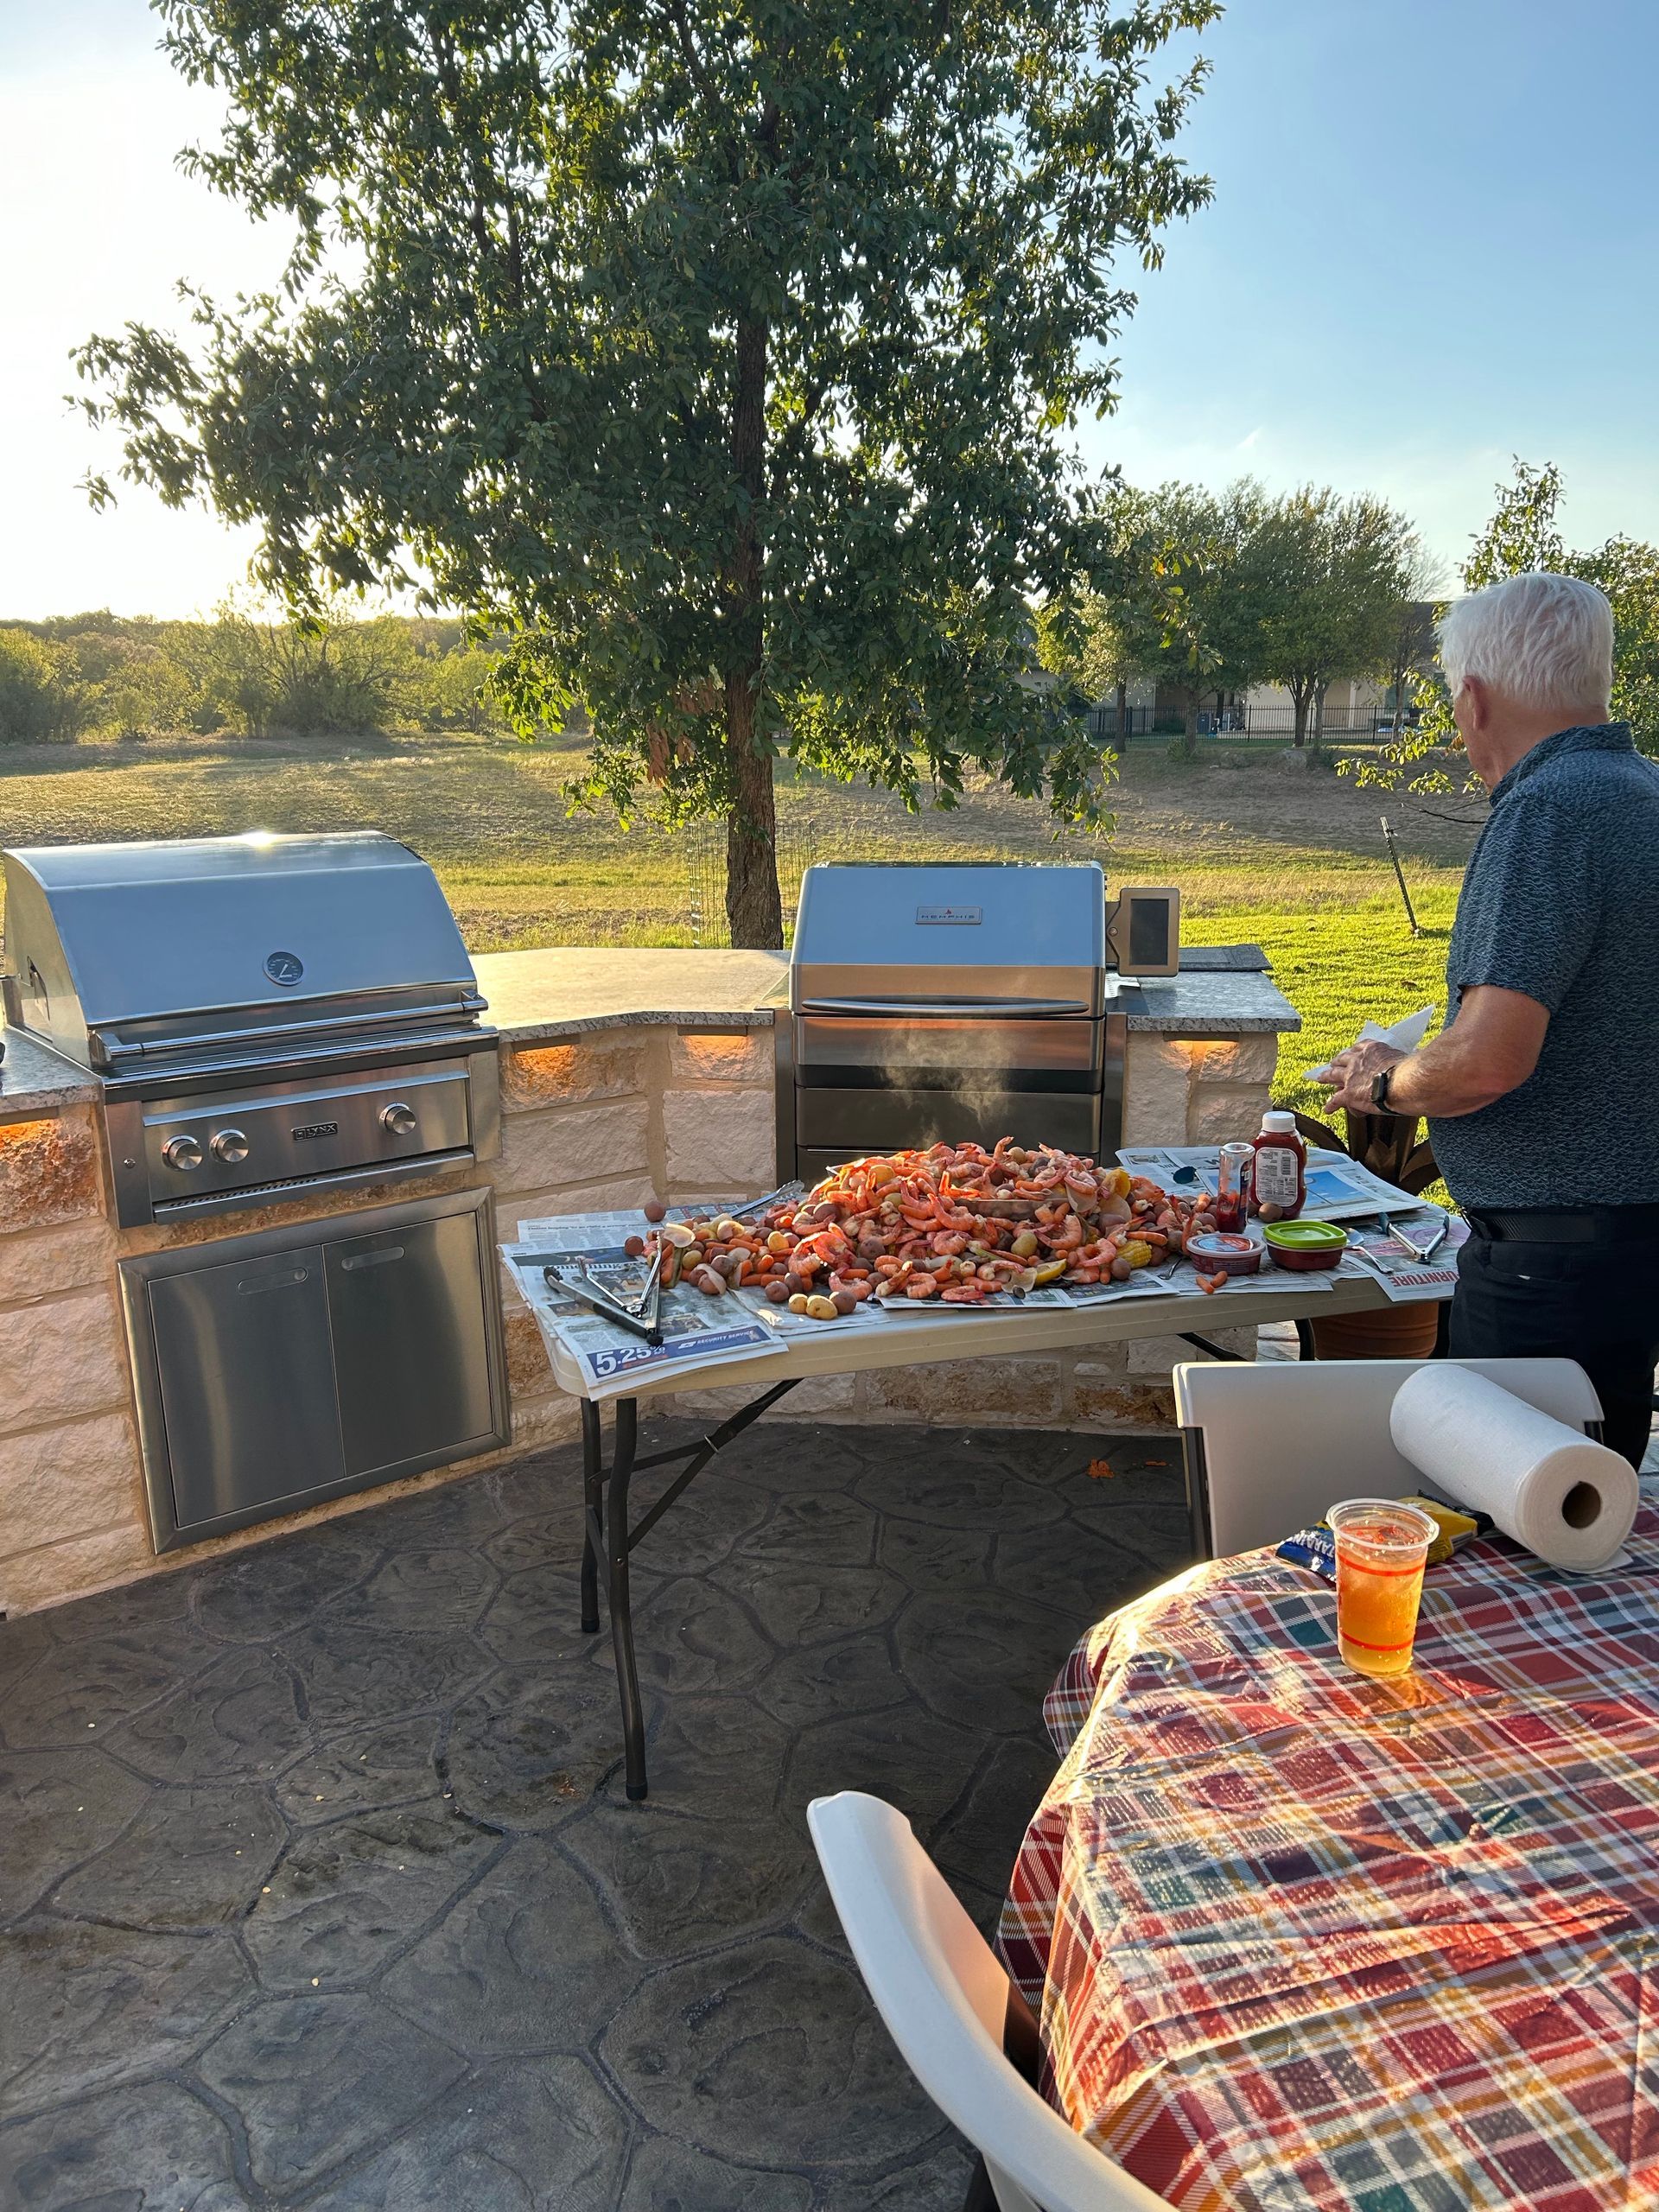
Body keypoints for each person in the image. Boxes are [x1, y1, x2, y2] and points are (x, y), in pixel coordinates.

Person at [1321, 570, 1659, 1468]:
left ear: (1471, 698)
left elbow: (1487, 1061)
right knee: (1593, 1506)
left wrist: (1382, 1081)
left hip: (1548, 1271)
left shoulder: (1547, 811)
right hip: (1627, 1253)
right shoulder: (1642, 793)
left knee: (1513, 1527)